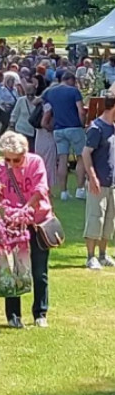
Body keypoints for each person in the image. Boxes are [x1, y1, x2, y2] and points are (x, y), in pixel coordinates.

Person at [0, 131, 53, 328]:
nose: (11, 163)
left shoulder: (35, 162)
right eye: (7, 159)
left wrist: (27, 209)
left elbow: (41, 189)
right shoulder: (0, 168)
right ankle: (13, 316)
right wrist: (8, 212)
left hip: (36, 222)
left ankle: (40, 313)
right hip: (11, 225)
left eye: (16, 160)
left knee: (39, 270)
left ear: (25, 153)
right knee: (13, 270)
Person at [41, 70, 87, 201]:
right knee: (81, 158)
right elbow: (81, 111)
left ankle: (63, 192)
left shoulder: (50, 92)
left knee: (62, 159)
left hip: (58, 129)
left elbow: (46, 108)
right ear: (70, 80)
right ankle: (79, 189)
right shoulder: (74, 92)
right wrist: (82, 124)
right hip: (74, 127)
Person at [82, 97, 115, 270]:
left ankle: (103, 255)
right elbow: (86, 153)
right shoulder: (97, 128)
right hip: (98, 182)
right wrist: (93, 177)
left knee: (109, 221)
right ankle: (90, 257)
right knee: (95, 218)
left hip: (112, 183)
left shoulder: (113, 128)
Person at [0, 72, 17, 146]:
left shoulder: (14, 89)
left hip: (7, 107)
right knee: (4, 122)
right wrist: (4, 103)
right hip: (0, 107)